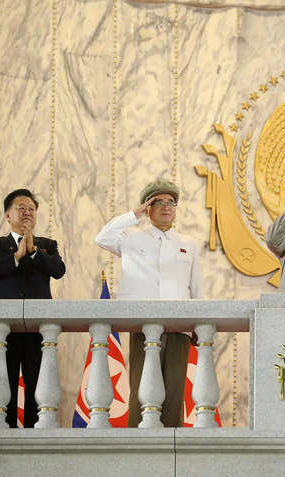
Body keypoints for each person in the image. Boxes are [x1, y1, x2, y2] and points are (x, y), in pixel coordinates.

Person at [95, 179, 201, 427]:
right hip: (143, 325)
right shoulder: (132, 238)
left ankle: (171, 451)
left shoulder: (188, 243)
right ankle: (138, 450)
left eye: (171, 202)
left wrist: (197, 322)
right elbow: (101, 237)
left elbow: (195, 287)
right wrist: (134, 214)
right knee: (142, 393)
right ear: (148, 207)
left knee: (174, 394)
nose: (166, 206)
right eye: (158, 202)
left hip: (178, 327)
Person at [0, 189, 66, 428]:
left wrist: (33, 252)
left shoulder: (47, 245)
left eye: (31, 209)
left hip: (39, 329)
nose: (27, 213)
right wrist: (16, 256)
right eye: (21, 208)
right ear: (7, 214)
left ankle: (37, 434)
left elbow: (58, 270)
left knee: (38, 384)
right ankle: (6, 432)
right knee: (5, 383)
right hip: (3, 330)